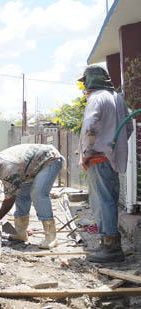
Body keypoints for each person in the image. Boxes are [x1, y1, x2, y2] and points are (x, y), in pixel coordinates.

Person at [78, 65, 132, 263]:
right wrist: (115, 147)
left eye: (84, 81)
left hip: (98, 156)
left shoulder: (96, 98)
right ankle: (106, 243)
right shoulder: (117, 98)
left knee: (103, 202)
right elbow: (129, 126)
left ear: (90, 81)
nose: (84, 86)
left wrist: (86, 152)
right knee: (108, 200)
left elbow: (89, 126)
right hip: (112, 157)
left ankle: (111, 248)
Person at [0, 144, 64, 249]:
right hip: (28, 168)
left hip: (49, 160)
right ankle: (20, 233)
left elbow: (9, 200)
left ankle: (51, 236)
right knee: (21, 194)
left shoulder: (8, 169)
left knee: (38, 193)